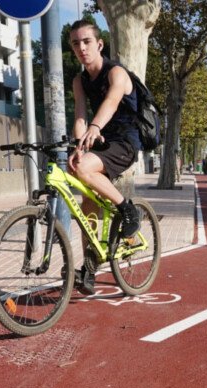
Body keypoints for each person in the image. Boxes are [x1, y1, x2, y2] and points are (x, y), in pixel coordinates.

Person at [67, 20, 142, 295]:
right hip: (99, 142)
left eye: (86, 41)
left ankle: (128, 209)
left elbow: (110, 102)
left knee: (84, 168)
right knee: (86, 195)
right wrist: (78, 145)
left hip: (124, 142)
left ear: (99, 44)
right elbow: (79, 116)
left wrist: (95, 128)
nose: (81, 47)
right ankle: (89, 267)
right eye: (75, 43)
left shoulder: (116, 73)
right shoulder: (79, 80)